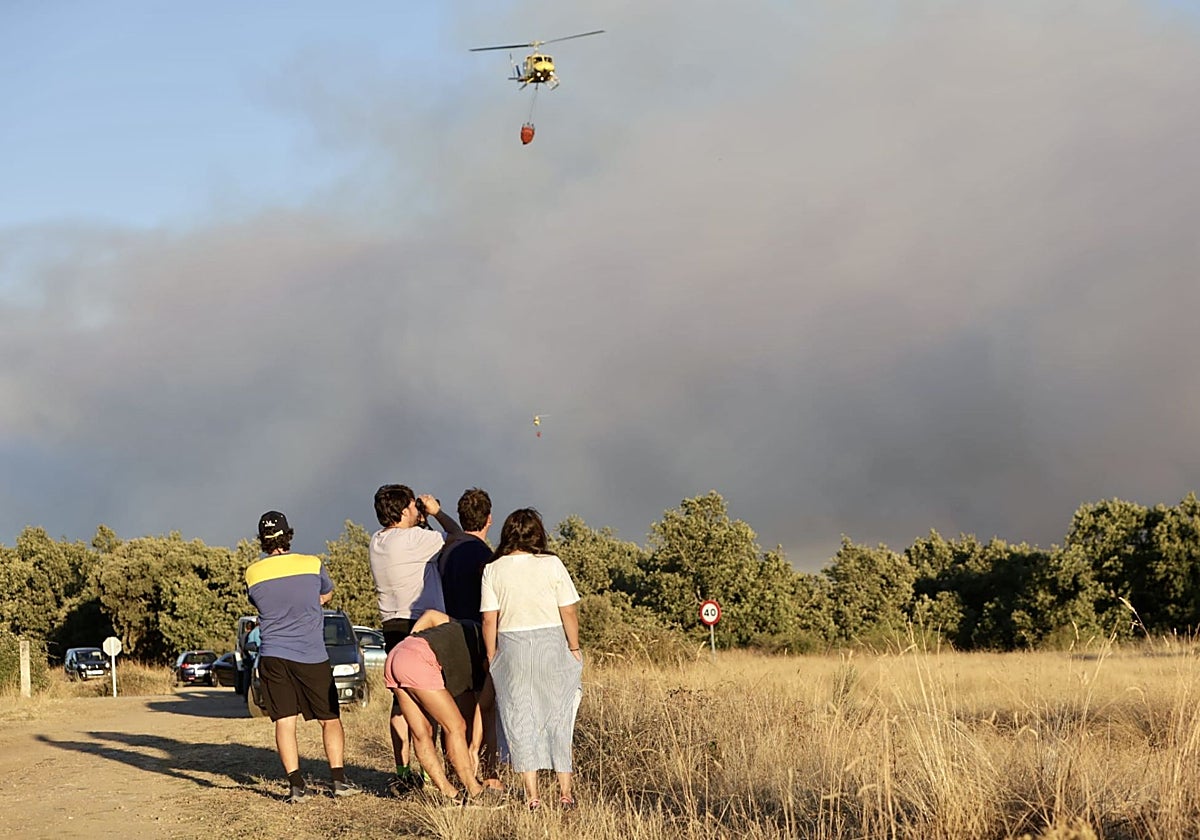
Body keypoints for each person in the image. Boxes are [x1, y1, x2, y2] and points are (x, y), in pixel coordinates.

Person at [245, 511, 361, 803]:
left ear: (262, 540)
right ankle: (338, 781)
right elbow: (327, 593)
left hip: (273, 655)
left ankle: (296, 787)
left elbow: (258, 600)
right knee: (330, 718)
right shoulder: (312, 564)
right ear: (288, 535)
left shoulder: (252, 572)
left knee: (284, 721)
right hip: (311, 655)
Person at [481, 508, 583, 811]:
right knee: (559, 715)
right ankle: (565, 793)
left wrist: (492, 657)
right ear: (537, 532)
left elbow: (489, 620)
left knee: (518, 717)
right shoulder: (552, 564)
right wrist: (574, 647)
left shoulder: (494, 569)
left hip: (510, 645)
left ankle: (532, 796)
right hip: (552, 642)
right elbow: (568, 611)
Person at [369, 484, 461, 794]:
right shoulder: (415, 540)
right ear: (405, 509)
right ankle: (431, 775)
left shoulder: (377, 541)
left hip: (391, 626)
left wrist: (419, 518)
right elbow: (458, 538)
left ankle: (403, 769)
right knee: (431, 703)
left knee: (403, 703)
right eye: (413, 505)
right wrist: (435, 512)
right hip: (421, 627)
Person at [383, 609, 501, 805]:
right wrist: (474, 751)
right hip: (419, 660)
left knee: (422, 732)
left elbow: (430, 615)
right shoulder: (488, 655)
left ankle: (450, 794)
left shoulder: (466, 628)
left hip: (397, 654)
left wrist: (413, 639)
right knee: (456, 727)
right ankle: (474, 790)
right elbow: (481, 711)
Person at [439, 487, 493, 622]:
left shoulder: (445, 551)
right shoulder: (487, 557)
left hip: (449, 628)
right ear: (489, 519)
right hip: (476, 629)